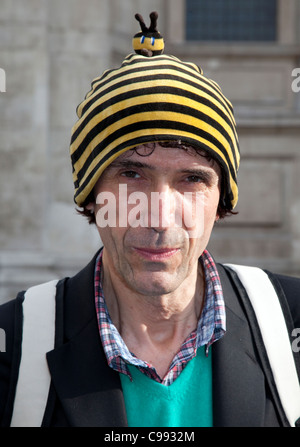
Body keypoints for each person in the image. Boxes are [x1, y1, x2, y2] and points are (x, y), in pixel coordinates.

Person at [0, 12, 299, 428]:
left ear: (221, 200)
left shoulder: (291, 327)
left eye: (192, 179)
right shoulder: (12, 346)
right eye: (131, 175)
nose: (159, 214)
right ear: (91, 194)